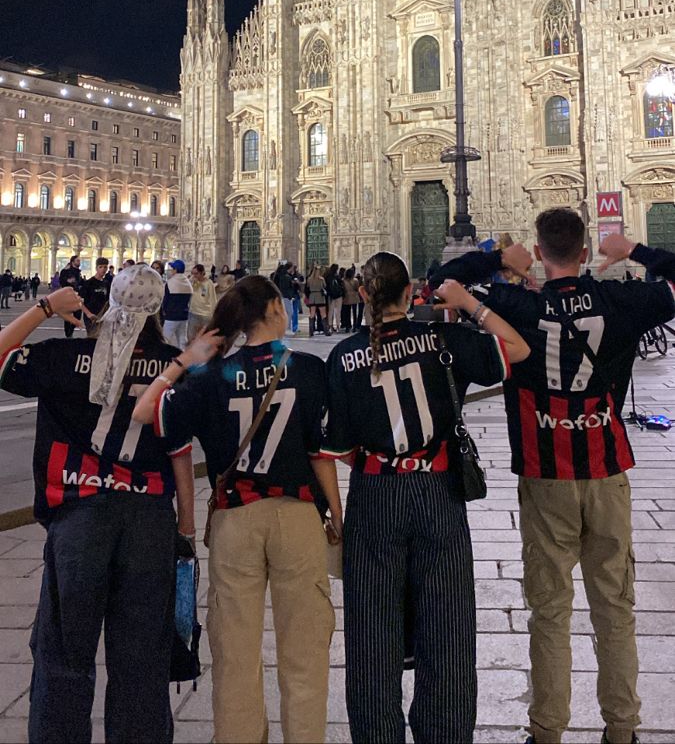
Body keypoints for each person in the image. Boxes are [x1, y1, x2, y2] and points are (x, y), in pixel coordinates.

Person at [431, 213, 675, 744]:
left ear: (539, 253)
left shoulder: (517, 304)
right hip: (607, 471)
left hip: (545, 477)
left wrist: (498, 260)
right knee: (614, 606)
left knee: (549, 611)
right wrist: (634, 249)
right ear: (586, 253)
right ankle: (622, 730)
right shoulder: (621, 302)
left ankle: (546, 731)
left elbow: (438, 282)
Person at [319, 250, 530, 744]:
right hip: (437, 491)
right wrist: (467, 304)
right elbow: (516, 348)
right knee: (449, 624)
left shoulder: (344, 355)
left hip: (376, 494)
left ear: (364, 294)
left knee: (372, 632)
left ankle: (377, 734)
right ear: (411, 292)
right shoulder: (440, 337)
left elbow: (340, 447)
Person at [133, 275, 340, 744]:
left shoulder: (210, 377)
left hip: (234, 521)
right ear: (272, 309)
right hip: (297, 517)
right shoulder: (307, 368)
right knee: (305, 651)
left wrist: (186, 361)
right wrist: (337, 523)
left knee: (235, 655)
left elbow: (146, 412)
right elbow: (319, 456)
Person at [0, 266, 195, 744]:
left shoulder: (65, 355)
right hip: (148, 520)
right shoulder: (173, 364)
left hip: (79, 517)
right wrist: (186, 530)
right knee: (142, 660)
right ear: (158, 308)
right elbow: (180, 451)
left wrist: (45, 307)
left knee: (64, 655)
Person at [162, 259, 193, 350]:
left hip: (171, 316)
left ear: (176, 270)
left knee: (166, 339)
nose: (171, 271)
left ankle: (165, 359)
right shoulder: (188, 283)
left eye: (172, 269)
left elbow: (166, 300)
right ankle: (182, 359)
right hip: (184, 316)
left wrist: (165, 311)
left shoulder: (170, 283)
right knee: (182, 339)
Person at [81, 257, 110, 338]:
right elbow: (79, 302)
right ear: (96, 268)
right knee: (92, 339)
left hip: (103, 316)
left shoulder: (106, 283)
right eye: (100, 267)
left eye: (105, 267)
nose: (103, 269)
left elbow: (108, 300)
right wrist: (88, 313)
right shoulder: (88, 283)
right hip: (91, 317)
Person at [188, 262, 217, 341]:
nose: (194, 275)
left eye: (196, 273)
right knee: (191, 337)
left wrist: (213, 313)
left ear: (201, 273)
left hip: (205, 314)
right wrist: (191, 282)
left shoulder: (209, 283)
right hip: (193, 312)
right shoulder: (192, 282)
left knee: (205, 336)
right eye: (192, 273)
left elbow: (213, 299)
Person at [59, 254, 84, 338]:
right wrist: (67, 280)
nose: (79, 262)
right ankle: (68, 335)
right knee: (68, 316)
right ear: (72, 262)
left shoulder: (78, 272)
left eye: (79, 261)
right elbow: (62, 281)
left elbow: (80, 283)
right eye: (77, 261)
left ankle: (70, 331)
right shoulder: (66, 271)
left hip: (77, 297)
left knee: (78, 316)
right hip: (67, 296)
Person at [273, 260, 298, 334]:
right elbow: (287, 288)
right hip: (286, 297)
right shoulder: (286, 277)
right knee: (289, 312)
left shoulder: (279, 275)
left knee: (284, 312)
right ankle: (287, 329)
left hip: (281, 296)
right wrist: (291, 296)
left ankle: (284, 328)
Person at [305, 263, 329, 336]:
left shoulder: (309, 279)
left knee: (312, 314)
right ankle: (326, 331)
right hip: (320, 297)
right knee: (323, 314)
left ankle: (311, 331)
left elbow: (307, 287)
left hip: (312, 297)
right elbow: (324, 286)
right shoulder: (321, 279)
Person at [325, 263, 345, 333]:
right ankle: (338, 327)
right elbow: (342, 285)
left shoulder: (327, 276)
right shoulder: (337, 276)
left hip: (331, 296)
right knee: (338, 312)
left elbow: (326, 286)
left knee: (330, 312)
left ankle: (330, 326)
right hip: (338, 296)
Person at [341, 266, 359, 331]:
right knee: (354, 312)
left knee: (347, 313)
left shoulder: (343, 280)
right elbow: (357, 289)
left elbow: (342, 289)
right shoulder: (355, 280)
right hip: (354, 297)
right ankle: (354, 326)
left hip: (346, 297)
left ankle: (348, 326)